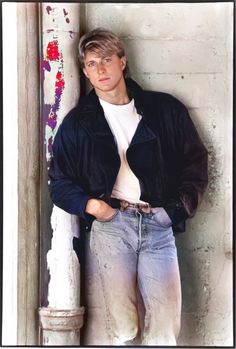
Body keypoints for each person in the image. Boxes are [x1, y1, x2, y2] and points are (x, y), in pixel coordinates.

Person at [49, 28, 208, 345]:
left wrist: (175, 210)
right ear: (84, 70)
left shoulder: (164, 110)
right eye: (92, 64)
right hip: (112, 226)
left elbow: (195, 162)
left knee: (165, 327)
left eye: (107, 60)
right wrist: (92, 206)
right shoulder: (79, 123)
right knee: (123, 328)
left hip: (157, 224)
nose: (101, 70)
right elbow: (59, 181)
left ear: (122, 62)